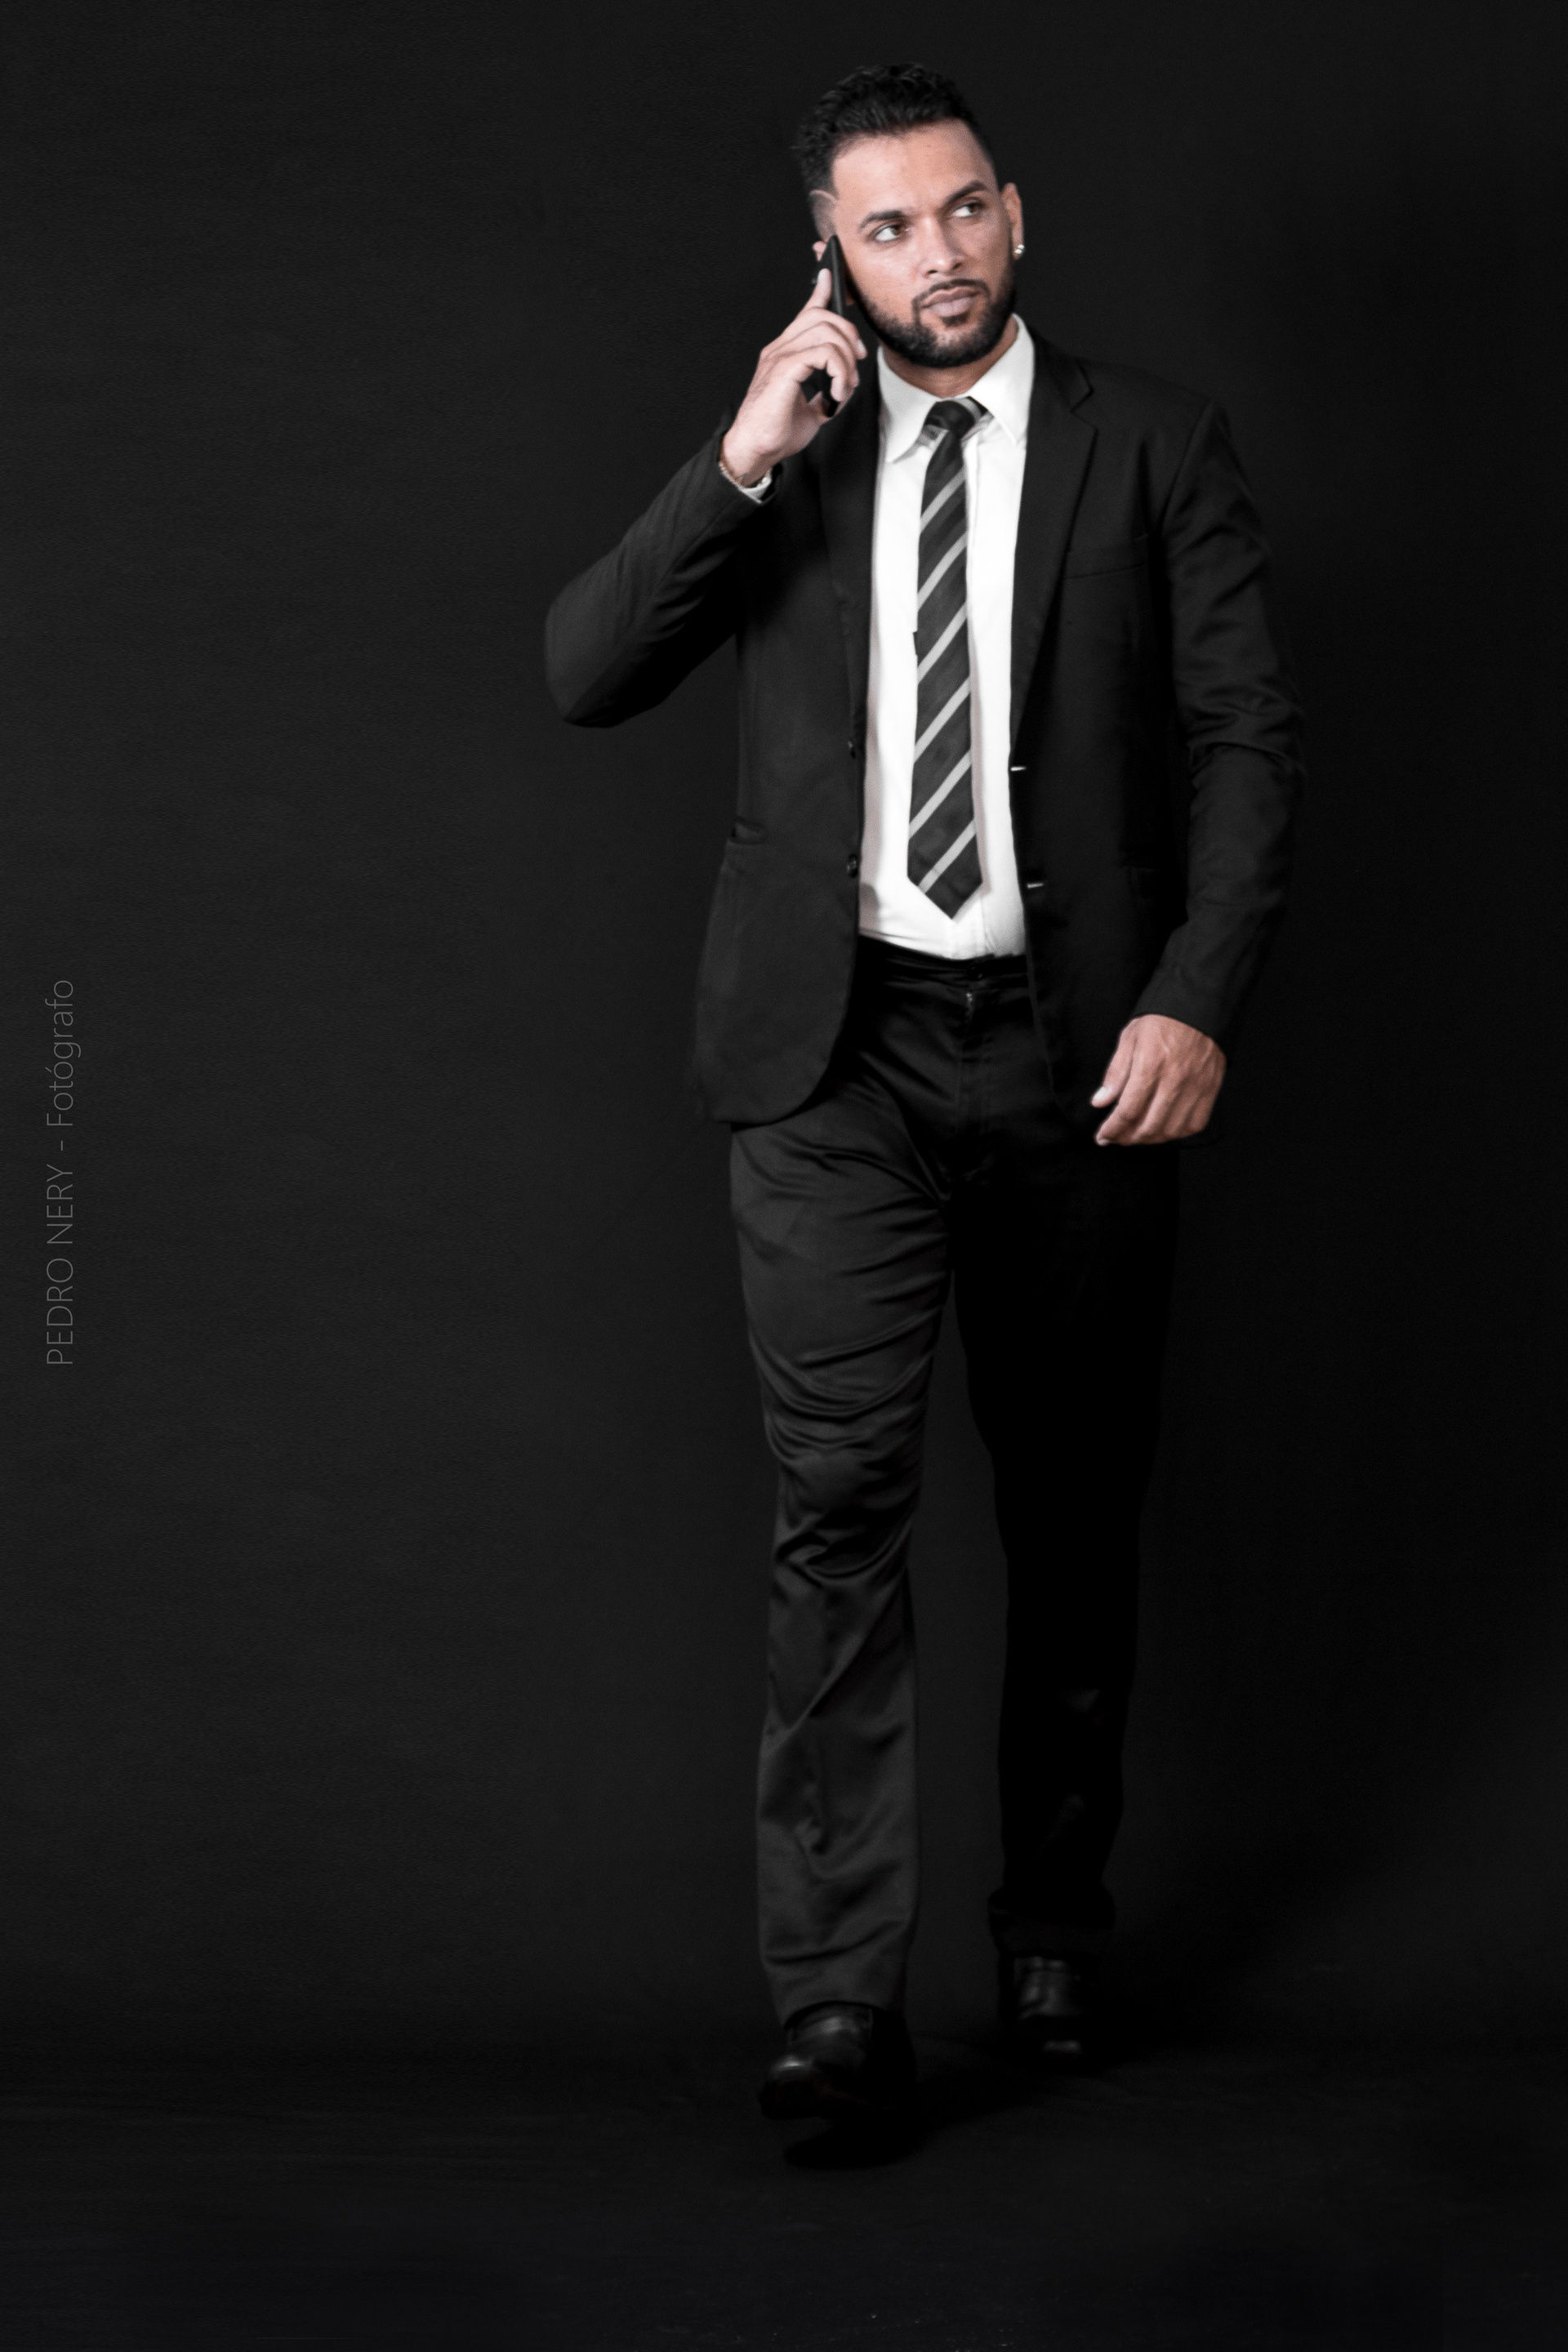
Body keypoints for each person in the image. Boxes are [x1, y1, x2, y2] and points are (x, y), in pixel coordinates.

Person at [546, 61, 1303, 2126]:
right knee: (840, 1511)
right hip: (834, 1058)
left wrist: (1196, 998)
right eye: (888, 227)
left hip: (1083, 1061)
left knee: (1073, 1511)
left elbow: (1247, 744)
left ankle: (1053, 1927)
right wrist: (737, 457)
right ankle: (836, 2001)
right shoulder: (789, 455)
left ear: (1016, 212)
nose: (938, 254)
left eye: (963, 209)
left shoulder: (1153, 443)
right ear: (833, 252)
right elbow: (585, 672)